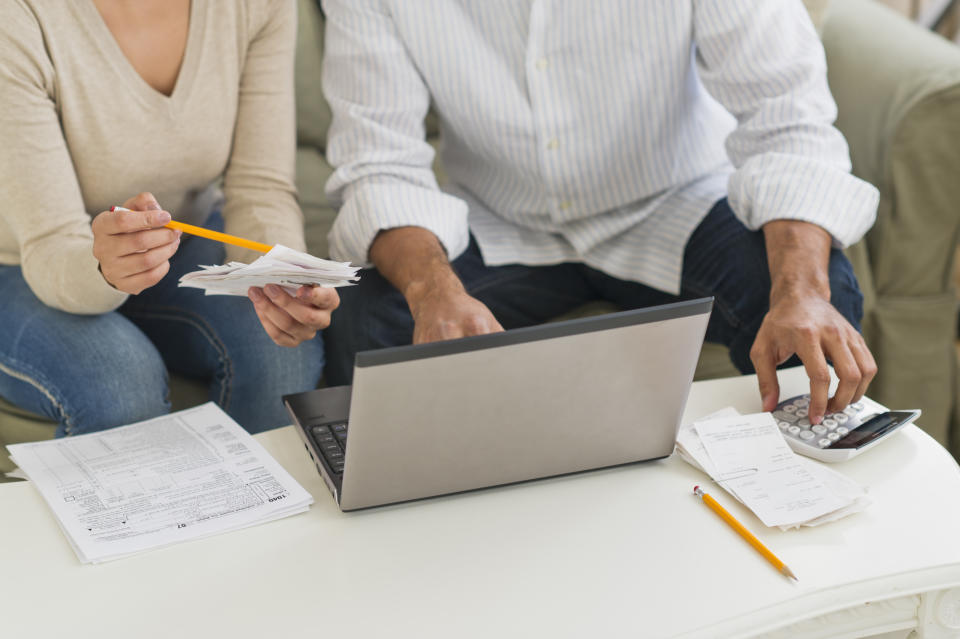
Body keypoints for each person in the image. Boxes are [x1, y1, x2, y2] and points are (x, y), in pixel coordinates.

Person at [320, 0, 880, 426]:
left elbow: (786, 120)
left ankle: (800, 512)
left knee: (817, 295)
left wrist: (800, 290)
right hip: (502, 218)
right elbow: (379, 160)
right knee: (371, 314)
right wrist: (432, 294)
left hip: (678, 202)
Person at [0, 0, 339, 436]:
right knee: (121, 383)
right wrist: (105, 267)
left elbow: (260, 187)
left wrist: (284, 282)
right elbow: (51, 241)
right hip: (25, 264)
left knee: (281, 350)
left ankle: (254, 504)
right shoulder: (19, 17)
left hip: (176, 243)